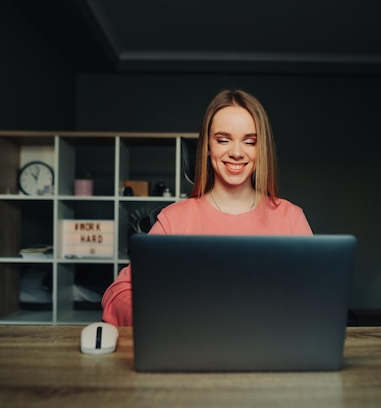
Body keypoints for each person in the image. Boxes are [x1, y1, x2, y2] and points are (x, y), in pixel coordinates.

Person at [101, 89, 313, 326]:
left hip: (272, 349)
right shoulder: (173, 220)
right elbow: (119, 293)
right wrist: (156, 320)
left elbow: (317, 295)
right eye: (223, 140)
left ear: (261, 148)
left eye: (250, 141)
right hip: (190, 348)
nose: (235, 152)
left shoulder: (290, 217)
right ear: (207, 147)